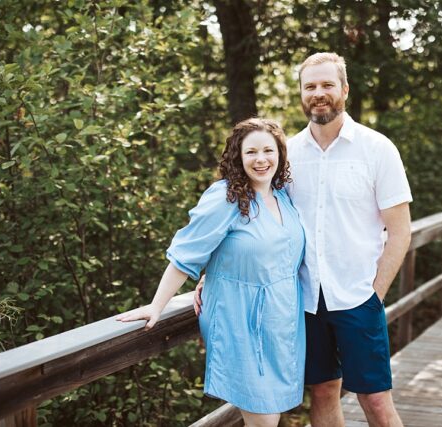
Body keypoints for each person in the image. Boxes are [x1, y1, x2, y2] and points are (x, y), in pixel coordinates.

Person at [196, 52, 412, 426]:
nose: (319, 93)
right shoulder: (286, 155)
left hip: (358, 296)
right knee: (324, 392)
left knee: (375, 400)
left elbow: (401, 231)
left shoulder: (377, 150)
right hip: (303, 301)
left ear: (344, 89)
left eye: (327, 84)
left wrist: (374, 296)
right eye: (310, 86)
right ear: (300, 94)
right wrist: (211, 271)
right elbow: (253, 219)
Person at [117, 118, 306, 427]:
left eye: (269, 151)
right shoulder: (226, 198)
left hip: (282, 320)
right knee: (263, 420)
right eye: (251, 152)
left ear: (281, 155)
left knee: (271, 414)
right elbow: (186, 254)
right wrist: (156, 305)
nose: (261, 159)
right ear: (238, 156)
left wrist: (217, 268)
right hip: (240, 318)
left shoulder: (283, 196)